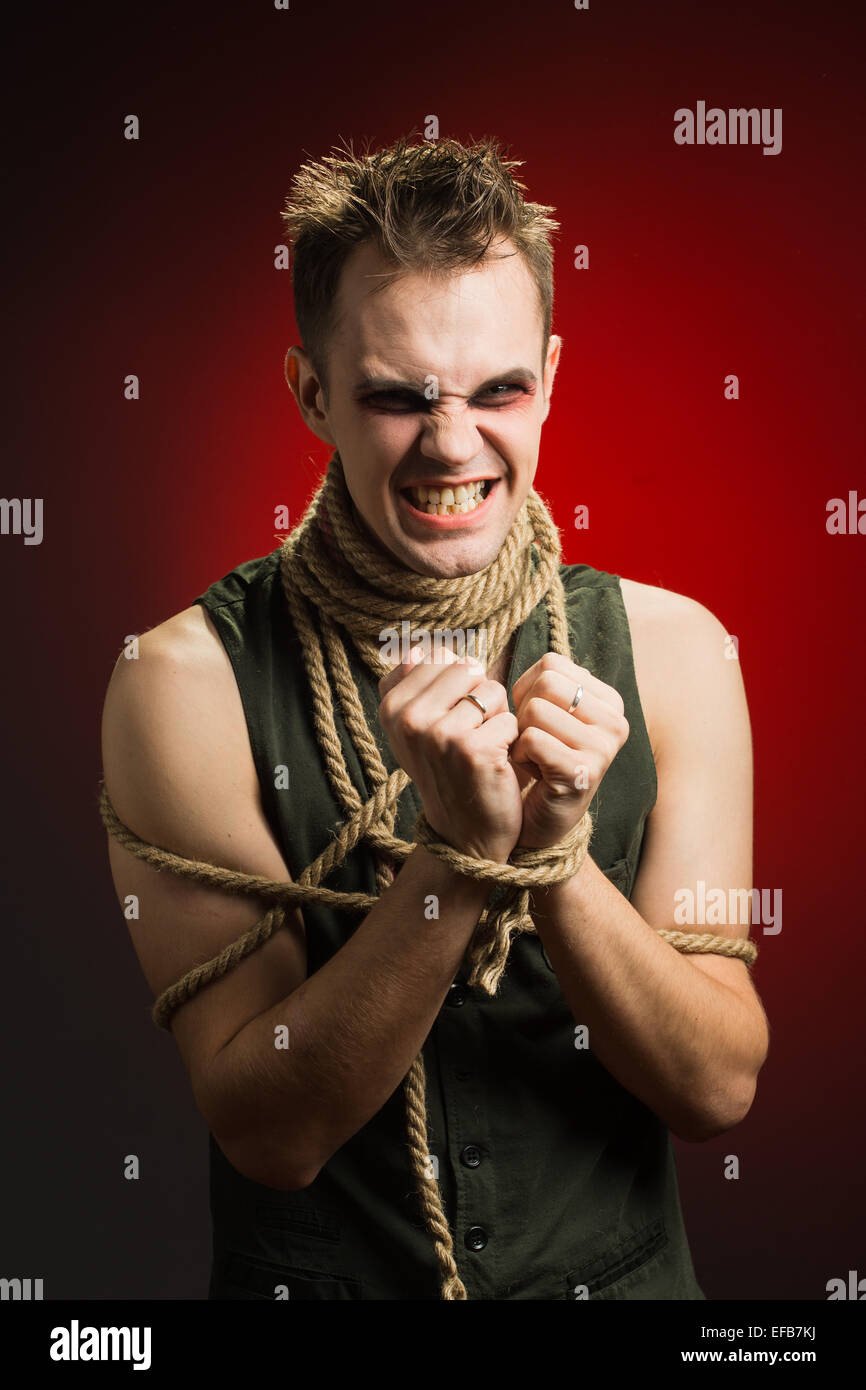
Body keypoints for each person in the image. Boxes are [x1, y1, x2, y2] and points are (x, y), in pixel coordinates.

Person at [99, 134, 769, 1300]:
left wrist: (553, 857)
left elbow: (714, 1087)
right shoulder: (182, 682)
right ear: (312, 393)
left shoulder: (677, 653)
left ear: (550, 378)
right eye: (397, 396)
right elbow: (268, 1131)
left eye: (499, 389)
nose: (452, 444)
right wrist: (455, 864)